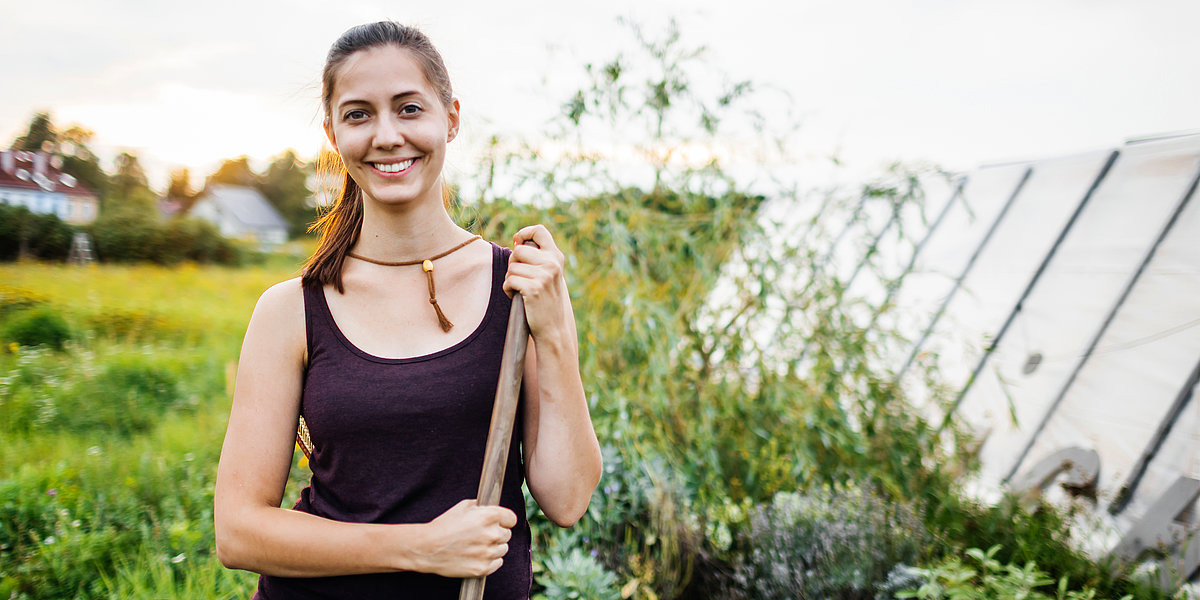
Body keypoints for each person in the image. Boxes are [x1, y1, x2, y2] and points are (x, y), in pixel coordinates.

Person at [214, 21, 602, 599]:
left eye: (409, 108)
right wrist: (420, 547)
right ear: (332, 134)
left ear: (451, 117)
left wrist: (556, 332)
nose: (387, 135)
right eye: (358, 114)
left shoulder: (518, 289)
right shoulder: (291, 310)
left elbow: (567, 499)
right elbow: (239, 533)